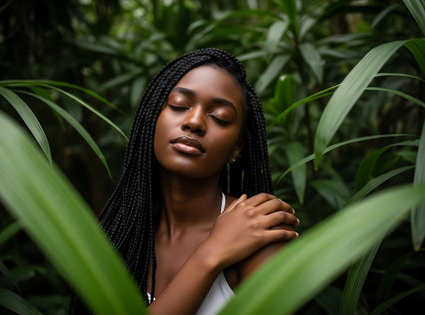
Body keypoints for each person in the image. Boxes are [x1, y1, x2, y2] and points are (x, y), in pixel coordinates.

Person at [72, 48, 299, 314]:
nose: (194, 122)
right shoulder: (121, 233)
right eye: (179, 105)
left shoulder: (261, 236)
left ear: (236, 149)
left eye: (219, 118)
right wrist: (211, 254)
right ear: (152, 119)